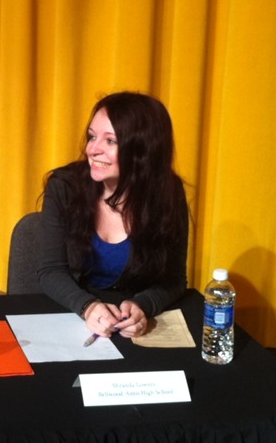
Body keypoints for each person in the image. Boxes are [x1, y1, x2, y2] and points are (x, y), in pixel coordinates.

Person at [37, 91, 188, 340]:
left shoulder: (168, 193)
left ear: (143, 151)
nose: (92, 149)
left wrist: (143, 305)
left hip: (132, 330)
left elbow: (174, 280)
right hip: (76, 318)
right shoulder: (64, 186)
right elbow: (51, 271)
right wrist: (87, 307)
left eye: (111, 141)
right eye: (92, 137)